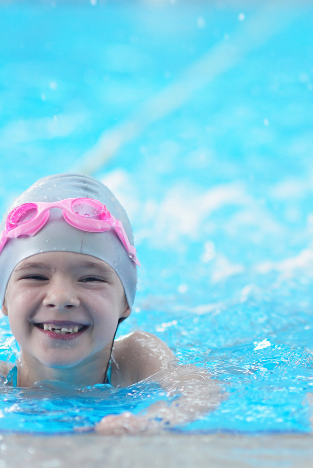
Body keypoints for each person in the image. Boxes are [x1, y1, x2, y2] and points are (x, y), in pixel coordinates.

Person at [0, 173, 221, 433]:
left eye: (91, 278)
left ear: (126, 302)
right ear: (4, 299)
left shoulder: (136, 358)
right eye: (36, 276)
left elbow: (200, 391)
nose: (60, 298)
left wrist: (159, 419)